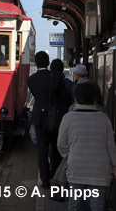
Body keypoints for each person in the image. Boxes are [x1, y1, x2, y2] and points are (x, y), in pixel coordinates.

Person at [57, 81, 116, 211]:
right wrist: (114, 166)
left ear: (75, 99)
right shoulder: (104, 118)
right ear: (95, 99)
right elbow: (111, 146)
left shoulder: (68, 118)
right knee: (97, 207)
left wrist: (72, 155)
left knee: (74, 205)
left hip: (76, 169)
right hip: (100, 171)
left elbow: (61, 145)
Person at [27, 51, 70, 190]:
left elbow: (37, 97)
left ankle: (45, 182)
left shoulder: (31, 80)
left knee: (42, 150)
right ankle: (55, 177)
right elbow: (64, 97)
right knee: (56, 149)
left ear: (35, 64)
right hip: (55, 118)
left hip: (39, 118)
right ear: (47, 63)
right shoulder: (55, 78)